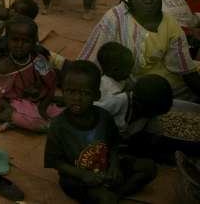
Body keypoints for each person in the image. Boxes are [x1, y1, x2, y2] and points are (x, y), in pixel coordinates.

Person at [79, 0, 200, 101]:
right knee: (104, 90)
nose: (148, 1)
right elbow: (90, 61)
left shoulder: (169, 23)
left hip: (157, 82)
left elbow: (183, 67)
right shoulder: (114, 18)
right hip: (121, 81)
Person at [45, 61, 157, 203]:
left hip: (104, 169)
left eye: (85, 93)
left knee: (149, 168)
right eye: (70, 92)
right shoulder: (58, 126)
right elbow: (55, 162)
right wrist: (83, 175)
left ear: (97, 95)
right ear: (63, 92)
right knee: (105, 199)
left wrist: (115, 165)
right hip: (77, 180)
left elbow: (114, 143)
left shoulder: (104, 117)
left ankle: (115, 194)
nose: (77, 99)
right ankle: (109, 196)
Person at [0, 16, 63, 132]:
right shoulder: (5, 65)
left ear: (33, 42)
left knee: (63, 114)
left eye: (26, 41)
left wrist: (44, 105)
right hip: (18, 102)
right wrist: (8, 109)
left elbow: (51, 83)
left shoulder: (39, 61)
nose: (19, 45)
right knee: (32, 120)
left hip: (41, 101)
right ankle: (9, 117)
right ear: (7, 40)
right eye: (15, 40)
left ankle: (14, 121)